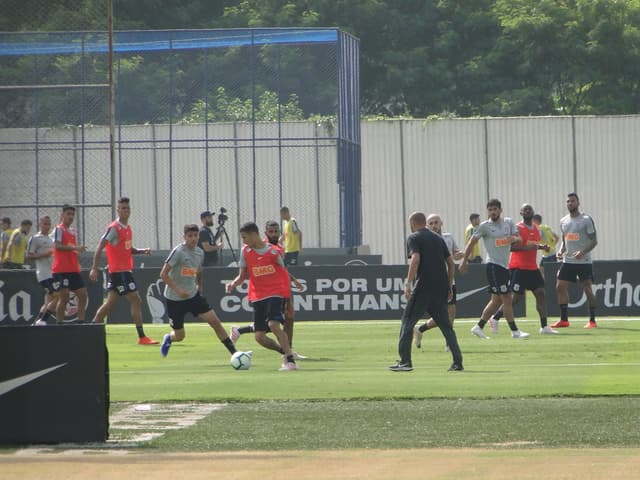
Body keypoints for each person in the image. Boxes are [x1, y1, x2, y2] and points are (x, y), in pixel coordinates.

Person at [389, 212, 463, 372]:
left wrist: (408, 283)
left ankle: (405, 362)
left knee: (407, 321)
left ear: (413, 223)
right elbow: (450, 263)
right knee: (446, 326)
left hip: (424, 286)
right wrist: (449, 285)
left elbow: (415, 259)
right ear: (425, 222)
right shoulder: (438, 238)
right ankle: (458, 362)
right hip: (441, 286)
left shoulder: (414, 238)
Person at [159, 224, 245, 359]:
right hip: (174, 299)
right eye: (190, 236)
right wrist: (177, 289)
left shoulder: (199, 252)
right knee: (180, 336)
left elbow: (199, 270)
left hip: (193, 296)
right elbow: (163, 274)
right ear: (184, 237)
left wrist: (199, 285)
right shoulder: (179, 252)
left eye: (195, 235)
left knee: (215, 321)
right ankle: (169, 338)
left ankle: (234, 353)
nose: (193, 238)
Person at [226, 222, 299, 371]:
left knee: (273, 325)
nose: (244, 240)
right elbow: (241, 276)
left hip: (275, 293)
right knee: (259, 337)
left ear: (254, 235)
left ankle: (290, 361)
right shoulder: (245, 251)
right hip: (258, 296)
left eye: (245, 237)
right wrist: (233, 284)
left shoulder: (273, 252)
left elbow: (284, 274)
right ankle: (285, 352)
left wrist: (288, 299)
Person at [89, 197, 157, 345]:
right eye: (123, 208)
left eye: (127, 208)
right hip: (120, 272)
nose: (126, 210)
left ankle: (90, 330)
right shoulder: (114, 228)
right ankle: (141, 337)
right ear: (118, 210)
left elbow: (127, 249)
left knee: (110, 304)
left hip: (122, 271)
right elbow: (100, 246)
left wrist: (141, 251)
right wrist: (94, 268)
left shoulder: (127, 228)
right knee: (136, 300)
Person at [459, 198, 529, 339]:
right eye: (490, 210)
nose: (492, 212)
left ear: (500, 210)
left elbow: (519, 238)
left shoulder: (508, 223)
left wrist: (513, 239)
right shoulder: (484, 226)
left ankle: (478, 327)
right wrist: (464, 261)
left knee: (496, 300)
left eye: (495, 209)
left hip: (504, 266)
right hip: (494, 266)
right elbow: (471, 243)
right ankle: (515, 331)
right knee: (507, 299)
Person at [488, 204, 557, 335]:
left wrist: (542, 247)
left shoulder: (537, 229)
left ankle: (544, 327)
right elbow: (511, 247)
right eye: (524, 209)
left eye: (529, 209)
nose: (527, 211)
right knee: (515, 299)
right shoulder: (518, 228)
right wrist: (527, 248)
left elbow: (533, 245)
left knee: (541, 293)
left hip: (532, 268)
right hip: (519, 268)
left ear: (533, 212)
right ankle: (495, 318)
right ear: (521, 213)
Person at [413, 214, 464, 349]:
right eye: (431, 223)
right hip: (435, 280)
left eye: (436, 222)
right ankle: (449, 342)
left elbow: (454, 253)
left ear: (441, 223)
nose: (434, 225)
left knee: (450, 312)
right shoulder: (426, 240)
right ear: (427, 225)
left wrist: (459, 254)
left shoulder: (448, 237)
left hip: (449, 279)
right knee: (443, 313)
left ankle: (421, 329)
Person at [551, 193, 598, 329]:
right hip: (568, 261)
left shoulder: (586, 219)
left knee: (587, 289)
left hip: (584, 261)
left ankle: (592, 320)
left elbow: (594, 241)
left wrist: (582, 252)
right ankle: (564, 320)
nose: (570, 203)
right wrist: (561, 250)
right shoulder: (563, 221)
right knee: (560, 287)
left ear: (578, 203)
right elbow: (565, 240)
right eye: (568, 201)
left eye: (573, 201)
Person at [52, 205, 88, 323]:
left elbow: (71, 249)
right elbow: (57, 246)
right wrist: (75, 247)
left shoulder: (72, 231)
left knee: (82, 295)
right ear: (62, 215)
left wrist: (77, 252)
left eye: (72, 214)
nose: (71, 217)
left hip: (73, 269)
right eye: (68, 214)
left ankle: (81, 322)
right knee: (64, 297)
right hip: (61, 270)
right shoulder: (59, 229)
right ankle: (60, 323)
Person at [27, 216, 58, 325]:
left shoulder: (50, 239)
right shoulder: (35, 238)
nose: (47, 226)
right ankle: (43, 320)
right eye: (45, 224)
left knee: (48, 301)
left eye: (49, 224)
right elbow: (29, 256)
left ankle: (36, 323)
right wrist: (43, 255)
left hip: (53, 273)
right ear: (40, 224)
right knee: (57, 295)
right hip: (44, 274)